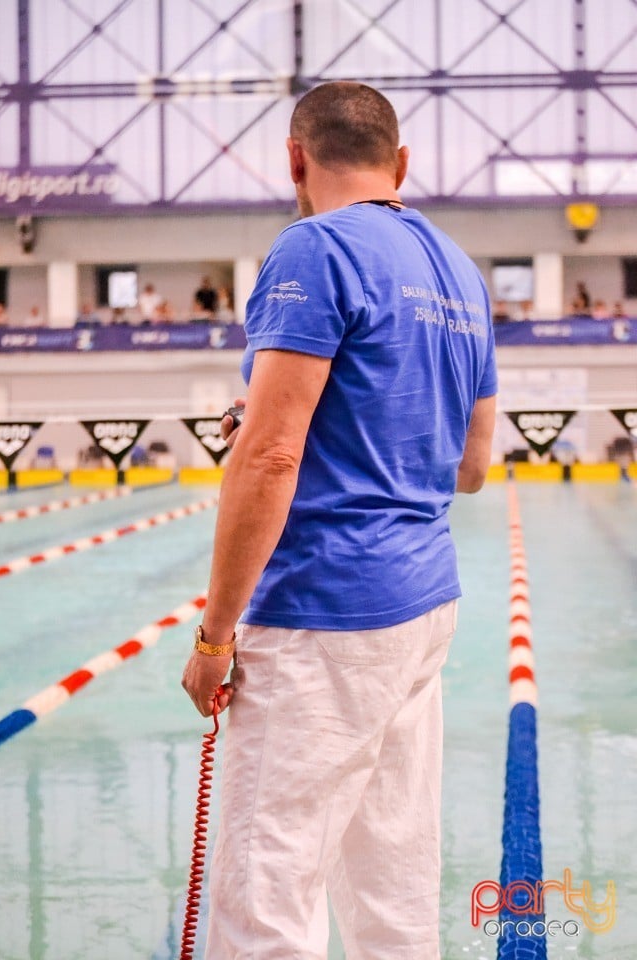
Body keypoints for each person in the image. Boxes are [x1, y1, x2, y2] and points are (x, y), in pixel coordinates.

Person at [181, 80, 497, 960]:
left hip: (325, 612)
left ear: (294, 159)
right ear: (401, 165)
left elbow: (271, 455)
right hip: (423, 607)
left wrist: (213, 639)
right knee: (390, 889)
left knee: (265, 899)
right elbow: (471, 469)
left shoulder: (314, 250)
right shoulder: (460, 271)